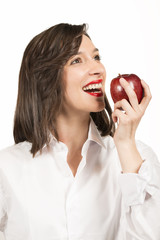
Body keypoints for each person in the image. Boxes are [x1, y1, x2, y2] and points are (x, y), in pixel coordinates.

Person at [0, 23, 160, 240]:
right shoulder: (7, 167)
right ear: (45, 79)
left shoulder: (136, 159)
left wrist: (125, 144)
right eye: (77, 60)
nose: (98, 69)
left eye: (96, 57)